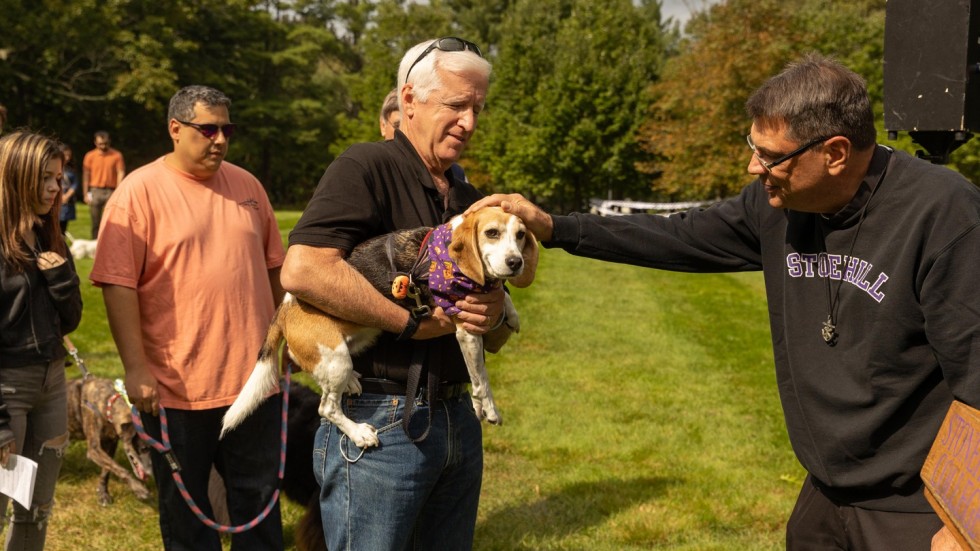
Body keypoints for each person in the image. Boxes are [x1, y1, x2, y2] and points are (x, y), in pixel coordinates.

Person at [468, 53, 980, 551]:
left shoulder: (944, 214)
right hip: (825, 494)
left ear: (836, 153)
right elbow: (677, 236)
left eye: (770, 156)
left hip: (915, 510)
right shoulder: (776, 203)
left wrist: (964, 524)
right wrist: (557, 227)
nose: (753, 166)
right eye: (751, 145)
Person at [281, 37, 509, 550]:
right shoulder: (365, 167)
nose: (469, 122)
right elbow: (303, 269)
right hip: (379, 423)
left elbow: (490, 336)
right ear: (409, 101)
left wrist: (492, 313)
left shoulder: (468, 199)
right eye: (456, 105)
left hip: (457, 421)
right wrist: (408, 322)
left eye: (477, 108)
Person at [90, 85, 285, 550]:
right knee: (186, 522)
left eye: (226, 130)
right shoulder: (136, 193)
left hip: (254, 382)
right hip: (176, 389)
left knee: (259, 508)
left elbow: (276, 268)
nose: (219, 139)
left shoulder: (248, 187)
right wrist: (137, 369)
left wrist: (284, 343)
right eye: (208, 129)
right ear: (176, 129)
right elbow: (118, 287)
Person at [0, 131, 83, 550]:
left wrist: (62, 279)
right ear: (16, 178)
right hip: (6, 391)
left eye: (58, 177)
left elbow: (71, 320)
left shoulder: (50, 236)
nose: (57, 188)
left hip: (51, 385)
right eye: (46, 178)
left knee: (37, 506)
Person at [81, 131, 125, 239]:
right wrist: (86, 193)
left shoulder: (116, 155)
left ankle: (110, 242)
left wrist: (118, 191)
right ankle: (95, 244)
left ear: (109, 142)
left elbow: (120, 172)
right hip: (95, 190)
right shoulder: (90, 156)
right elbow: (86, 175)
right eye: (100, 144)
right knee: (95, 220)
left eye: (105, 143)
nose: (103, 146)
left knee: (111, 220)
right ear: (95, 143)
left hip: (111, 190)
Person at [57, 144, 80, 235]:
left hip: (67, 201)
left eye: (69, 156)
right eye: (65, 155)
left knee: (63, 225)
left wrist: (67, 195)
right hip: (56, 197)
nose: (67, 158)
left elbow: (75, 183)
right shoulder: (53, 166)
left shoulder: (71, 168)